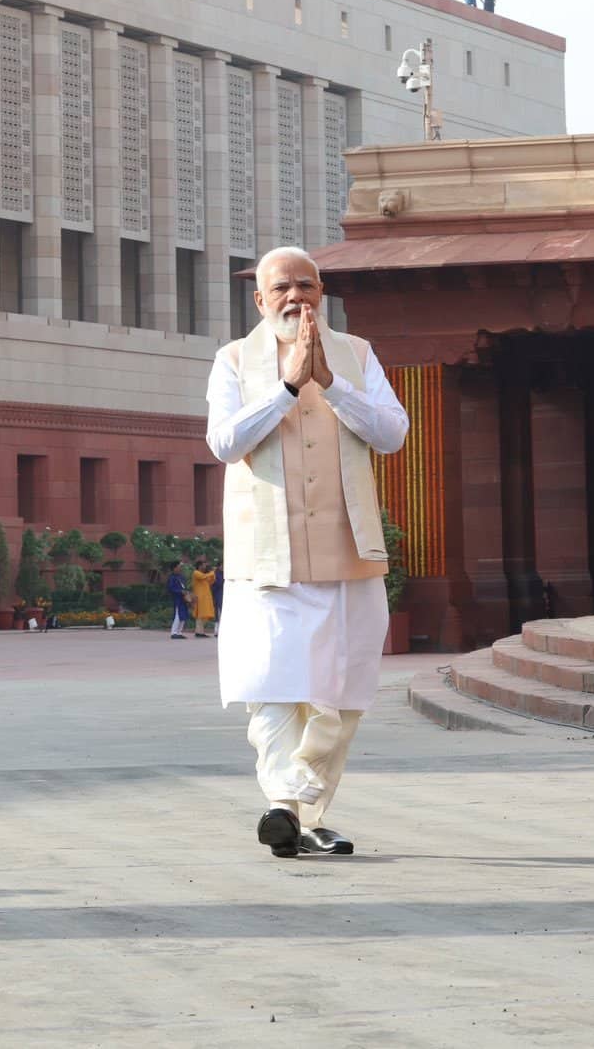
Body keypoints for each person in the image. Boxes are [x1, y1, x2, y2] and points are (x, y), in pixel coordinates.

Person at [206, 245, 409, 859]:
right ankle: (288, 805)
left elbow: (392, 434)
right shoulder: (234, 360)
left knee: (339, 696)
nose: (297, 298)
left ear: (322, 294)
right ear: (260, 299)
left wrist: (331, 384)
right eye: (283, 289)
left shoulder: (359, 355)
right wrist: (287, 388)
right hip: (268, 557)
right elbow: (223, 441)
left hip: (348, 553)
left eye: (308, 287)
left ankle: (298, 811)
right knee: (272, 686)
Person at [190, 557, 218, 638]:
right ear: (199, 566)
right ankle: (199, 632)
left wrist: (212, 575)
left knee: (205, 614)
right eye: (203, 565)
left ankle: (200, 631)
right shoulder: (196, 573)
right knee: (200, 615)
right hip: (199, 597)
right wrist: (212, 572)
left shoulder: (205, 574)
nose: (205, 567)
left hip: (205, 597)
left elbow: (211, 581)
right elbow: (203, 577)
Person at [166, 563, 190, 639]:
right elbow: (171, 588)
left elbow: (184, 586)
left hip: (184, 598)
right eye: (178, 567)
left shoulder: (181, 577)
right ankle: (174, 632)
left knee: (183, 615)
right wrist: (180, 591)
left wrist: (186, 592)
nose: (180, 568)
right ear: (174, 568)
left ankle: (179, 632)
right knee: (178, 615)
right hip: (177, 599)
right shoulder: (172, 578)